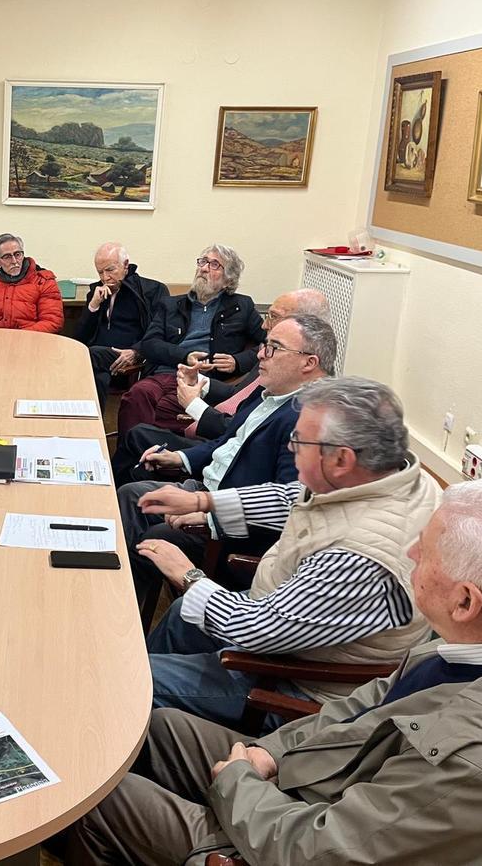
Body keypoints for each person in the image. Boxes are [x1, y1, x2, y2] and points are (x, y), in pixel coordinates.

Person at [66, 478, 482, 866]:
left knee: (92, 796)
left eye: (428, 551)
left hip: (297, 835)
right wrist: (271, 750)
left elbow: (320, 850)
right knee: (156, 728)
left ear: (465, 601)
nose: (412, 553)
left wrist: (239, 782)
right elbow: (364, 704)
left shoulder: (476, 761)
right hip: (316, 779)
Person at [137, 376, 439, 723]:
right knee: (181, 615)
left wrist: (189, 576)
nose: (291, 447)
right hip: (291, 622)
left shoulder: (361, 555)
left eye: (299, 440)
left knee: (137, 678)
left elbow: (256, 630)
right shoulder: (390, 475)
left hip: (293, 682)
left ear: (341, 459)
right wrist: (203, 501)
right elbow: (294, 496)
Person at [118, 314, 336, 614]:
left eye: (273, 347)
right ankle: (118, 595)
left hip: (233, 533)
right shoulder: (270, 393)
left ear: (308, 362)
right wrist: (180, 458)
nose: (260, 354)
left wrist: (211, 516)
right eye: (264, 345)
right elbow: (225, 443)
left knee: (154, 538)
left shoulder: (309, 419)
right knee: (132, 494)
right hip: (208, 491)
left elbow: (289, 504)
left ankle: (126, 615)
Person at [112, 288, 330, 474]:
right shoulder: (275, 356)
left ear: (305, 325)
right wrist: (200, 382)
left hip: (219, 451)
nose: (265, 325)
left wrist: (194, 405)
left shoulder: (297, 388)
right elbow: (239, 396)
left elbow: (240, 431)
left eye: (273, 316)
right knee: (139, 411)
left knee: (139, 438)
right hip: (207, 421)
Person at [117, 244, 265, 437]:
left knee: (162, 409)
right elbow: (149, 344)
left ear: (228, 280)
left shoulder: (242, 306)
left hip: (203, 382)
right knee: (136, 396)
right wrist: (185, 356)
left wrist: (238, 361)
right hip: (164, 375)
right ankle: (135, 454)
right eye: (202, 262)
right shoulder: (171, 304)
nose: (203, 268)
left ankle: (144, 451)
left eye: (214, 265)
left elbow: (270, 346)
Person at [75, 241, 171, 406]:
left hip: (127, 360)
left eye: (110, 270)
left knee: (87, 356)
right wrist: (93, 305)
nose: (105, 278)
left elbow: (160, 333)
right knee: (98, 375)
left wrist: (136, 351)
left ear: (125, 265)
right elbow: (79, 338)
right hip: (99, 360)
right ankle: (94, 422)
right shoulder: (97, 292)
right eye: (100, 272)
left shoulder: (153, 290)